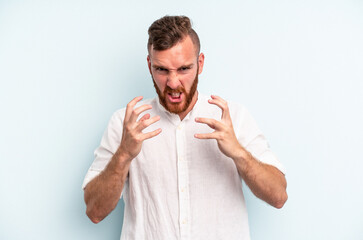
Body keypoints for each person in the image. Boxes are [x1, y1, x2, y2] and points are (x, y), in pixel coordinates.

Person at [82, 15, 287, 240]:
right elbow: (94, 211)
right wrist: (123, 155)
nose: (172, 82)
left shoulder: (233, 117)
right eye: (161, 70)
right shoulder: (126, 123)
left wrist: (238, 152)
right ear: (149, 65)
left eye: (183, 69)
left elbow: (278, 196)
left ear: (200, 64)